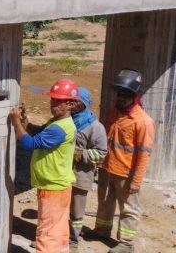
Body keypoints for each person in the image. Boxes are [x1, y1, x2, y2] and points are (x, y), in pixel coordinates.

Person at [10, 78, 78, 253]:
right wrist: (26, 123)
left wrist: (16, 121)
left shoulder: (59, 128)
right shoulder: (57, 123)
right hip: (59, 185)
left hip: (53, 187)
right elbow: (39, 133)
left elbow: (28, 144)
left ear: (71, 104)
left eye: (58, 101)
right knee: (58, 229)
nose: (53, 104)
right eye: (52, 99)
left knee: (46, 232)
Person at [91, 69, 155, 253]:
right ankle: (102, 230)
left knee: (128, 208)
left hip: (125, 173)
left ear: (134, 97)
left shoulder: (143, 122)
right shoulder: (114, 112)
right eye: (119, 95)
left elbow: (144, 154)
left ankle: (126, 243)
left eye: (125, 96)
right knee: (104, 201)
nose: (121, 99)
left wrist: (136, 181)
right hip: (106, 168)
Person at [68, 87, 108, 252]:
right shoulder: (65, 119)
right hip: (62, 173)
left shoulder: (95, 127)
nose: (73, 104)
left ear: (85, 104)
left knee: (76, 212)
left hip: (81, 176)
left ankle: (73, 240)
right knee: (61, 208)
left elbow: (101, 153)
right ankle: (56, 237)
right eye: (71, 100)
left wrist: (79, 154)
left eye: (77, 101)